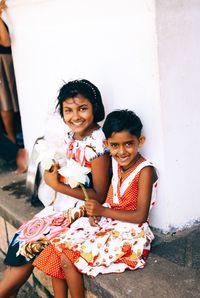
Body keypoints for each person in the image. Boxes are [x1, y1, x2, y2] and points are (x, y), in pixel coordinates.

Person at [0, 79, 111, 298]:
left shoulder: (97, 144)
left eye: (83, 109)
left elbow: (99, 195)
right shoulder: (71, 135)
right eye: (68, 110)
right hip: (61, 206)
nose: (75, 116)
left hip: (82, 212)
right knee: (23, 236)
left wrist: (56, 184)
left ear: (94, 108)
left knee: (30, 243)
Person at [35, 109, 158, 298]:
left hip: (130, 233)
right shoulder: (117, 164)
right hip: (110, 224)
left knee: (67, 258)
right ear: (106, 144)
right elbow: (110, 200)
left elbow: (140, 216)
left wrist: (102, 210)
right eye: (115, 146)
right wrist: (97, 213)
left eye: (128, 144)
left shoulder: (145, 171)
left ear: (140, 142)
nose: (122, 151)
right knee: (54, 248)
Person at [0, 0, 27, 173]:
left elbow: (6, 42)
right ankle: (13, 149)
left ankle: (15, 149)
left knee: (6, 103)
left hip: (4, 60)